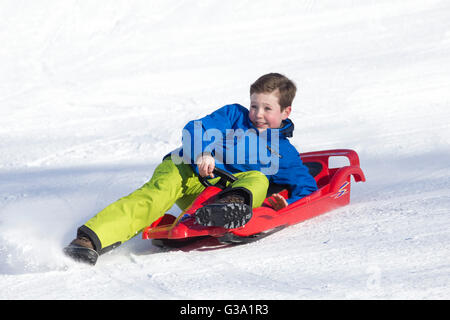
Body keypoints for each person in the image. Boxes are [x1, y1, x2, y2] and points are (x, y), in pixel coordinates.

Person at [64, 73, 318, 265]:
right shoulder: (232, 116)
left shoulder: (283, 153)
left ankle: (229, 208)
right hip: (187, 170)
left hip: (218, 193)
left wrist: (284, 207)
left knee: (258, 179)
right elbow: (196, 129)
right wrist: (203, 153)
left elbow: (306, 187)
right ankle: (90, 240)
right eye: (254, 106)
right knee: (154, 195)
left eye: (267, 108)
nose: (257, 114)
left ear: (286, 111)